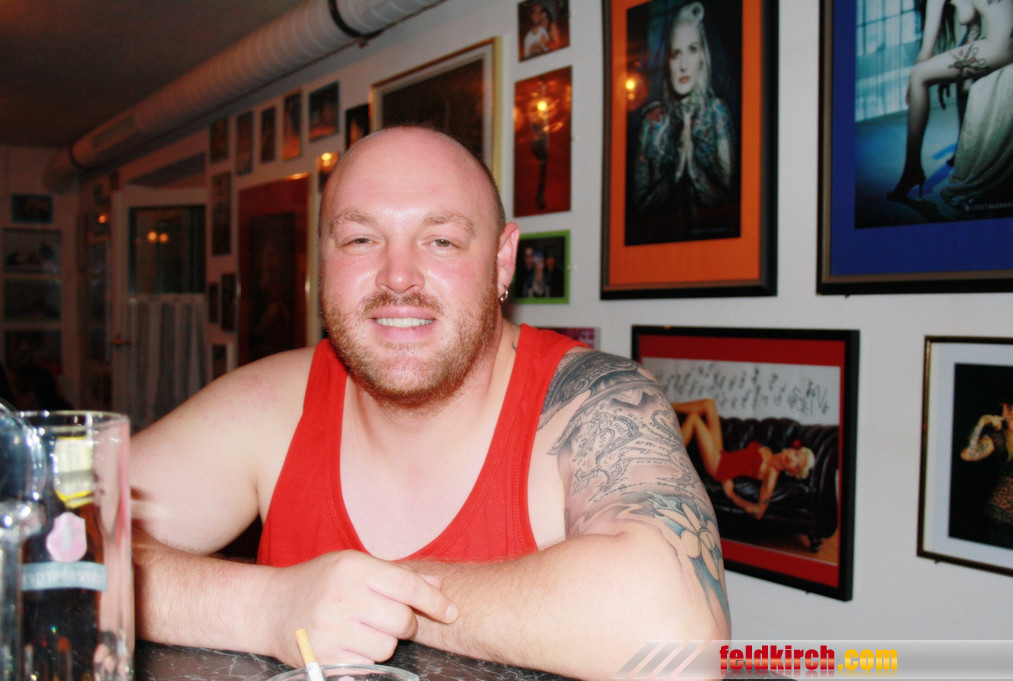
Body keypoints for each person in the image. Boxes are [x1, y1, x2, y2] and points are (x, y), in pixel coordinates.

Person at [129, 125, 730, 680]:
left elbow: (680, 635)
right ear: (323, 260)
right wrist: (268, 607)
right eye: (360, 239)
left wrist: (370, 601)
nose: (397, 277)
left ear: (502, 261)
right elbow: (76, 532)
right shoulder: (269, 404)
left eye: (441, 241)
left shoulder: (590, 402)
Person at [888, 0, 1013, 200]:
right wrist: (948, 70)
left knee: (918, 75)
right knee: (956, 81)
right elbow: (974, 29)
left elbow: (925, 55)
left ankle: (912, 169)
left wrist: (917, 80)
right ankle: (928, 163)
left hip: (1004, 46)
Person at [630, 1, 738, 245]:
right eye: (676, 54)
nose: (683, 65)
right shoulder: (652, 121)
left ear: (703, 56)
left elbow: (732, 203)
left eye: (692, 50)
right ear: (668, 62)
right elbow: (638, 209)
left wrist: (694, 172)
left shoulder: (717, 112)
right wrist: (675, 173)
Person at [675, 398, 815, 521]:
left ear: (793, 472)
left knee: (694, 419)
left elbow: (759, 512)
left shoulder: (772, 474)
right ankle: (666, 405)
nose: (792, 460)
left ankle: (670, 453)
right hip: (722, 455)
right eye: (796, 455)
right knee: (709, 404)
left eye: (797, 465)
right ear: (792, 449)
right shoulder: (769, 451)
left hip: (718, 467)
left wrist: (732, 496)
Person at [960, 402, 1013, 549]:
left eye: (1009, 406)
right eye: (1002, 408)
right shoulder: (1001, 438)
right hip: (1002, 521)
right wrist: (981, 422)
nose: (1004, 413)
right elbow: (968, 454)